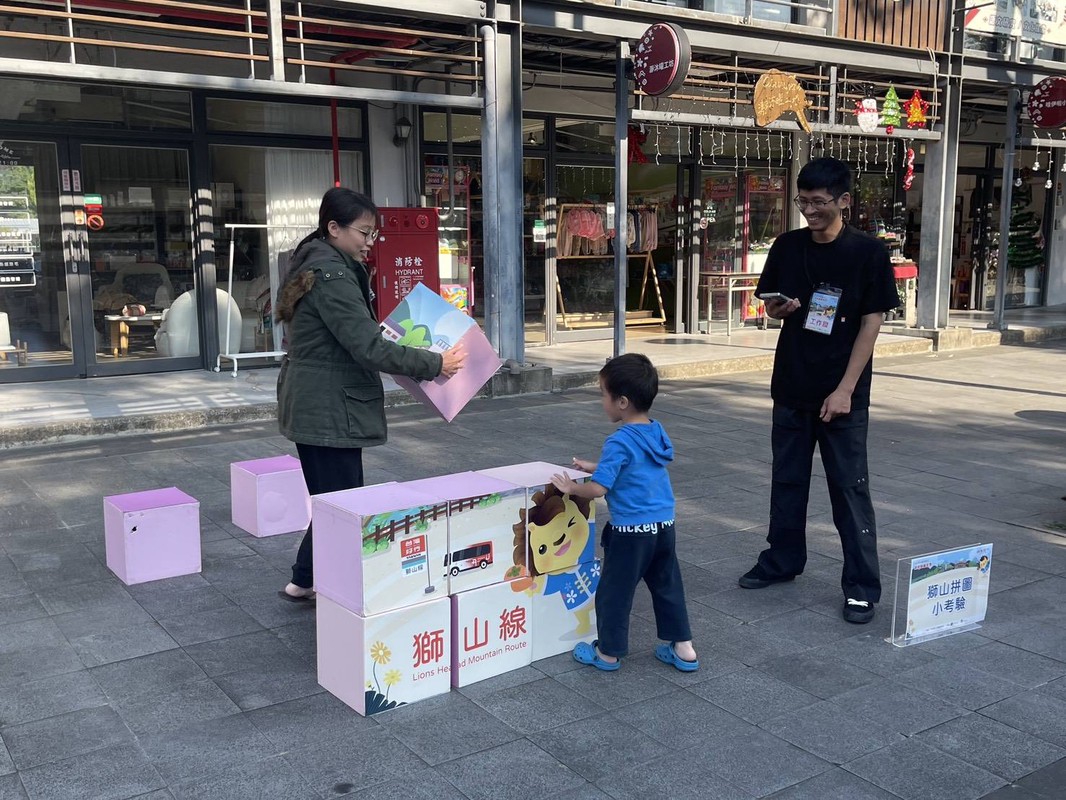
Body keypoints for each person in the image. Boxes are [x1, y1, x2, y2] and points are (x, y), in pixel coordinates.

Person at [274, 188, 465, 602]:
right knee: (345, 503)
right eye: (363, 232)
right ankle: (339, 592)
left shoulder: (314, 262)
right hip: (329, 406)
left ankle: (303, 579)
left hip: (315, 402)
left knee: (332, 498)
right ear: (333, 228)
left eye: (373, 234)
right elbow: (367, 347)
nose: (369, 242)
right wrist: (435, 364)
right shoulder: (334, 276)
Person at [739, 157, 899, 624]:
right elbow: (772, 307)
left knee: (849, 489)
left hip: (842, 392)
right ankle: (782, 560)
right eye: (804, 202)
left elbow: (872, 323)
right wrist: (780, 310)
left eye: (820, 203)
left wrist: (846, 389)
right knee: (787, 481)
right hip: (792, 382)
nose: (810, 211)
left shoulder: (868, 253)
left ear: (844, 201)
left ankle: (862, 587)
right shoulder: (788, 247)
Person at [551, 353, 698, 672]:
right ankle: (684, 648)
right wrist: (599, 467)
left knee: (614, 593)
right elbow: (637, 468)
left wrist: (573, 488)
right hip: (664, 526)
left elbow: (599, 489)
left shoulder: (618, 440)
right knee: (667, 586)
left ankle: (607, 653)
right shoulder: (656, 431)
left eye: (603, 394)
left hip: (631, 533)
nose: (601, 400)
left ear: (622, 402)